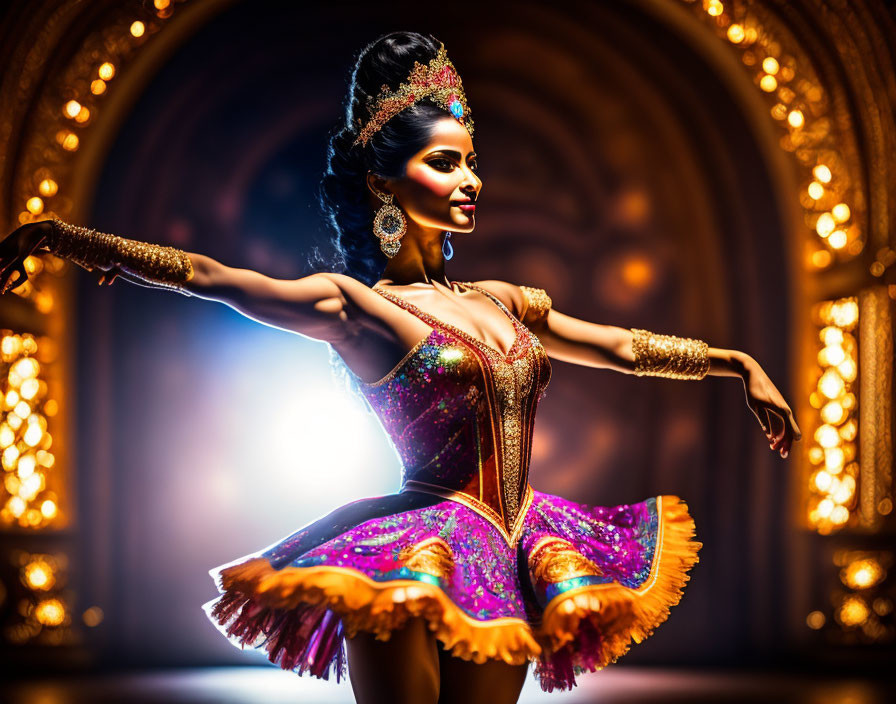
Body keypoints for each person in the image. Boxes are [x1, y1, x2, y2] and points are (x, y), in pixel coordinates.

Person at [0, 31, 801, 704]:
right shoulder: (357, 306)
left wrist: (735, 364)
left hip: (516, 549)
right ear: (384, 180)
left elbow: (622, 346)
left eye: (471, 161)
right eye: (446, 163)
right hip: (415, 551)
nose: (471, 180)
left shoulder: (503, 301)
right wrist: (69, 240)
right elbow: (217, 279)